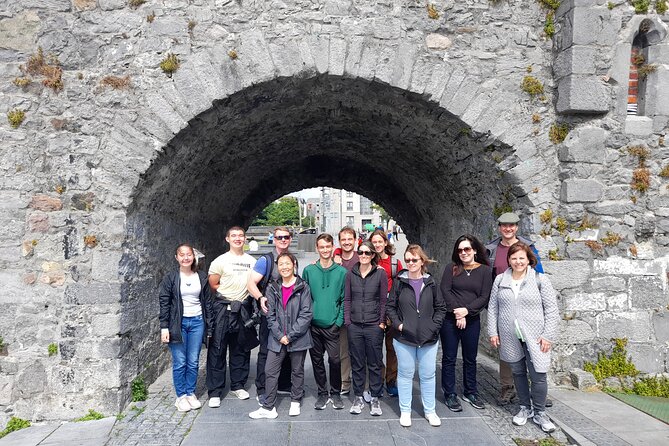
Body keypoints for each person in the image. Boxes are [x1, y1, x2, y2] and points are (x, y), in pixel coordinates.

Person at [488, 242, 559, 433]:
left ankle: (540, 412)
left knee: (538, 375)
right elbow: (493, 307)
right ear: (508, 260)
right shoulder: (500, 280)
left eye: (522, 258)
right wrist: (493, 332)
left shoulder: (540, 280)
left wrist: (547, 335)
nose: (518, 262)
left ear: (529, 259)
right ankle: (524, 408)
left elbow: (552, 310)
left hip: (536, 336)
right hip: (510, 335)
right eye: (514, 258)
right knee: (518, 372)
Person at [485, 212, 545, 406]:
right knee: (508, 352)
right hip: (505, 304)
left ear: (517, 227)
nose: (508, 229)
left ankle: (537, 390)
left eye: (511, 226)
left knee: (532, 349)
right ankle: (507, 388)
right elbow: (488, 277)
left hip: (527, 305)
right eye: (504, 226)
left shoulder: (529, 248)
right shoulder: (492, 249)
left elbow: (539, 274)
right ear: (499, 227)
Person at [386, 244, 446, 427]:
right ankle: (405, 410)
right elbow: (390, 306)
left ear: (422, 261)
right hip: (404, 338)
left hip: (428, 338)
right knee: (405, 374)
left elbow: (441, 308)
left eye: (414, 259)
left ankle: (430, 411)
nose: (410, 263)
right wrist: (399, 325)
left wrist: (433, 327)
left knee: (428, 375)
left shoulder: (431, 282)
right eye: (408, 260)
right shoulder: (399, 281)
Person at [249, 252, 313, 419]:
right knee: (270, 370)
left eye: (288, 263)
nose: (284, 267)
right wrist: (280, 335)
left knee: (297, 370)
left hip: (297, 337)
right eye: (281, 264)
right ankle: (269, 406)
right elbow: (270, 314)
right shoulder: (272, 287)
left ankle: (295, 401)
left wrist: (290, 335)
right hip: (277, 338)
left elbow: (306, 314)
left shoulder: (303, 286)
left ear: (294, 265)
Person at [205, 227, 259, 408]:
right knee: (217, 348)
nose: (238, 239)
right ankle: (215, 390)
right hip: (223, 309)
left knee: (241, 348)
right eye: (234, 236)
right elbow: (213, 284)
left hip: (243, 309)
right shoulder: (220, 261)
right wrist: (229, 296)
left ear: (245, 239)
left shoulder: (252, 261)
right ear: (227, 239)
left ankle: (238, 384)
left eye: (241, 236)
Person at [440, 235, 493, 412]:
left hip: (472, 321)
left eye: (467, 249)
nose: (463, 253)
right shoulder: (452, 268)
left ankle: (470, 391)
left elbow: (484, 296)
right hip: (450, 319)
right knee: (449, 358)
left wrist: (467, 311)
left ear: (475, 250)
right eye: (460, 250)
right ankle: (450, 393)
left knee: (470, 358)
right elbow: (445, 290)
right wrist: (458, 312)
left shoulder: (485, 271)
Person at [159, 244, 213, 412]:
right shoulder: (171, 278)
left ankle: (190, 393)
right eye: (182, 255)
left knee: (193, 360)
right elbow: (164, 303)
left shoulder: (201, 277)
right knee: (180, 361)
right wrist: (164, 327)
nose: (185, 258)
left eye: (188, 254)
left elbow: (207, 303)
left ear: (193, 257)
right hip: (178, 323)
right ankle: (181, 396)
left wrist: (209, 325)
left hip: (197, 321)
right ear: (177, 257)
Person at [247, 227, 294, 404]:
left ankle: (283, 383)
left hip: (287, 314)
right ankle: (262, 387)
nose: (283, 240)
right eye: (279, 237)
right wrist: (260, 298)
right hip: (270, 314)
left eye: (286, 237)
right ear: (273, 239)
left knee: (287, 349)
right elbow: (250, 283)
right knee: (266, 351)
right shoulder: (266, 260)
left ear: (290, 239)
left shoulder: (291, 258)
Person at [302, 233, 347, 410]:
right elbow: (304, 298)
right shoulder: (309, 271)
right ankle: (322, 393)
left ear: (332, 247)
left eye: (328, 247)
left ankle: (335, 393)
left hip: (332, 325)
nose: (325, 250)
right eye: (322, 247)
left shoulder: (342, 272)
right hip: (313, 325)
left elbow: (344, 299)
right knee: (317, 361)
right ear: (317, 248)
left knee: (335, 360)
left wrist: (338, 322)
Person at [344, 240, 388, 416]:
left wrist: (381, 322)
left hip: (373, 325)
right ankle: (359, 396)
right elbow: (347, 299)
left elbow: (384, 300)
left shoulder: (380, 274)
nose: (363, 256)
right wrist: (348, 321)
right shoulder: (351, 274)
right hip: (354, 325)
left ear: (372, 255)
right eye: (361, 253)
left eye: (367, 253)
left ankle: (375, 397)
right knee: (357, 363)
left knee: (375, 362)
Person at [369, 229, 403, 397]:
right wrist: (338, 251)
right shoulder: (366, 259)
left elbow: (403, 284)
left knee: (391, 348)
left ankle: (390, 380)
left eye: (379, 241)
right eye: (374, 242)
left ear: (385, 242)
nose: (377, 245)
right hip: (373, 309)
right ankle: (377, 378)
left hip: (391, 309)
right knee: (374, 348)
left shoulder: (394, 263)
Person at [333, 227, 359, 395]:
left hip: (360, 310)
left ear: (355, 240)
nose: (347, 242)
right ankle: (344, 381)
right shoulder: (336, 259)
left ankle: (364, 383)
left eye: (350, 239)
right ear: (340, 241)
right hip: (343, 310)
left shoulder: (362, 257)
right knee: (343, 350)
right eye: (343, 239)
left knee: (361, 350)